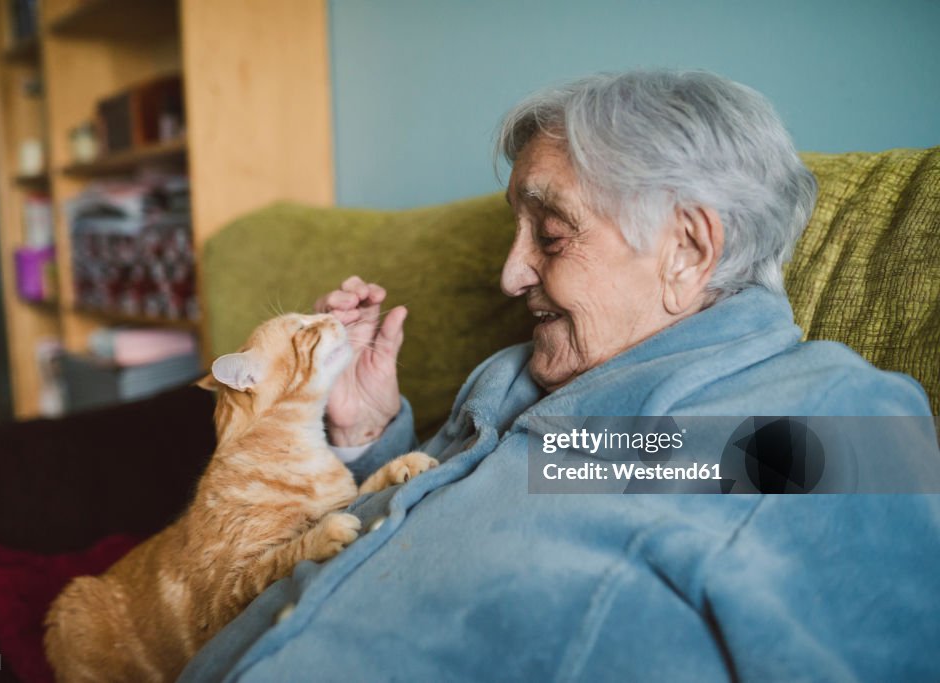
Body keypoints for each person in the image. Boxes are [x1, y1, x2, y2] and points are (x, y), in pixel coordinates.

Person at [182, 70, 939, 681]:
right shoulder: (519, 377)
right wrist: (366, 429)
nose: (512, 274)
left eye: (550, 233)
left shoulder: (827, 413)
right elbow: (449, 523)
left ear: (687, 249)